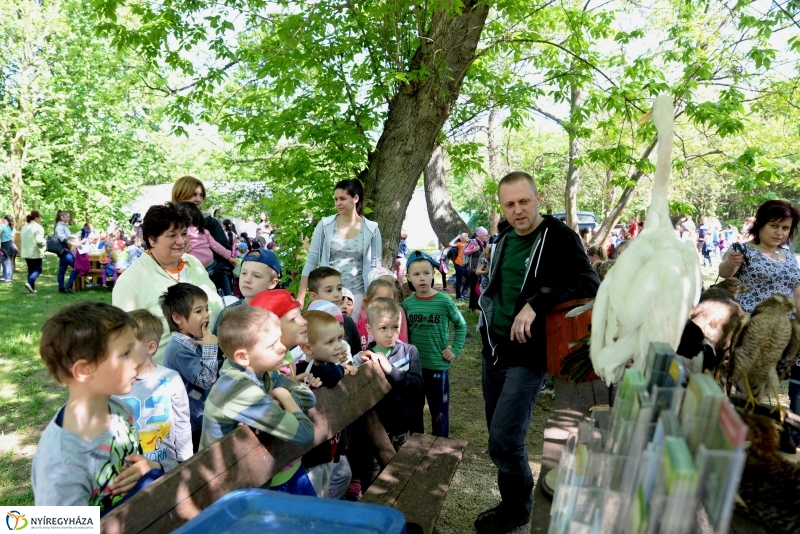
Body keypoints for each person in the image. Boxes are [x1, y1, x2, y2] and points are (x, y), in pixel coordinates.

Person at [475, 171, 599, 534]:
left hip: (528, 356)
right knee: (498, 435)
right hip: (494, 350)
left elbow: (588, 282)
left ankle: (518, 508)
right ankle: (511, 503)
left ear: (538, 198)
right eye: (509, 204)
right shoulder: (503, 239)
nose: (518, 210)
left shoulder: (559, 236)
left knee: (505, 438)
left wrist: (536, 303)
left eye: (524, 201)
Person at [31, 302, 162, 510]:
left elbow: (137, 463)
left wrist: (151, 468)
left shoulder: (121, 411)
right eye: (125, 353)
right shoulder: (61, 462)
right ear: (84, 371)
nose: (137, 360)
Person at [200, 305, 317, 495]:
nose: (282, 348)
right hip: (226, 490)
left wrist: (278, 401)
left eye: (279, 340)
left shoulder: (263, 372)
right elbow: (305, 434)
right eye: (272, 345)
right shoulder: (239, 389)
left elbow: (308, 396)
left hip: (249, 479)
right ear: (243, 357)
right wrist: (284, 396)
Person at [112, 203, 223, 362]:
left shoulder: (194, 263)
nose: (181, 241)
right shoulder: (131, 280)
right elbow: (123, 338)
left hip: (214, 362)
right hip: (164, 373)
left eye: (184, 233)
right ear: (152, 240)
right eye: (172, 235)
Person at [115, 309, 192, 472]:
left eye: (128, 344)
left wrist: (186, 463)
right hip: (127, 473)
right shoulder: (113, 384)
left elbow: (182, 423)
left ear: (150, 347)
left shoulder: (171, 379)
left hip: (168, 469)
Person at [402, 251, 466, 438]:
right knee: (415, 409)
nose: (422, 278)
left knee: (439, 412)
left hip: (437, 366)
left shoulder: (444, 301)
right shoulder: (407, 305)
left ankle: (440, 444)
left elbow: (461, 325)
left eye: (426, 273)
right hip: (414, 369)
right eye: (416, 274)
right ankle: (416, 445)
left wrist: (455, 349)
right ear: (408, 277)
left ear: (433, 274)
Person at [298, 179, 382, 316]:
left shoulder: (371, 229)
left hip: (358, 295)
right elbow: (312, 260)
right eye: (336, 199)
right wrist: (301, 297)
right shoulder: (325, 225)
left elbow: (376, 267)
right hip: (327, 294)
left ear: (355, 198)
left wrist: (374, 299)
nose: (338, 203)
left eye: (342, 198)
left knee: (353, 330)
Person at [160, 283, 220, 453]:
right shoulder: (178, 351)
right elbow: (206, 380)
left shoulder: (193, 341)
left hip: (202, 416)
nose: (207, 314)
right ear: (178, 318)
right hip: (193, 424)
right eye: (199, 311)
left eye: (206, 309)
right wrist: (210, 348)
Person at [171, 175, 233, 296]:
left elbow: (225, 256)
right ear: (179, 194)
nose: (198, 199)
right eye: (194, 194)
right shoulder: (166, 224)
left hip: (214, 283)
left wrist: (211, 272)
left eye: (201, 195)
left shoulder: (210, 223)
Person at [211, 248, 282, 335]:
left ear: (272, 283)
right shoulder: (228, 313)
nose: (247, 280)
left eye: (256, 276)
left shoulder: (279, 314)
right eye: (244, 273)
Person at [307, 266, 362, 360]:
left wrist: (359, 358)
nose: (336, 294)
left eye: (339, 288)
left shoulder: (348, 322)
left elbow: (355, 354)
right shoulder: (306, 323)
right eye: (329, 290)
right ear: (314, 296)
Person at [177, 202, 237, 277]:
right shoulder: (203, 231)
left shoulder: (180, 234)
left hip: (195, 270)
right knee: (223, 281)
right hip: (210, 265)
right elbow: (215, 245)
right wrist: (229, 257)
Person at [464, 227, 489, 311]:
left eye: (486, 235)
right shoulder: (474, 242)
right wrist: (474, 249)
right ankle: (473, 307)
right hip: (474, 269)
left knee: (479, 287)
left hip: (481, 269)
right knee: (474, 287)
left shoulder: (485, 242)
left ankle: (478, 306)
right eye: (484, 235)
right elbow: (465, 252)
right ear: (479, 235)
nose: (485, 237)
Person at [54, 210, 79, 293]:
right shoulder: (59, 226)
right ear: (62, 217)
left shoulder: (64, 226)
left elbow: (68, 236)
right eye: (67, 217)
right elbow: (61, 237)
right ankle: (69, 285)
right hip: (63, 251)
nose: (69, 218)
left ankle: (61, 288)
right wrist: (71, 242)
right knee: (77, 266)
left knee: (62, 270)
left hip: (65, 250)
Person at [21, 210, 45, 293]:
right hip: (35, 252)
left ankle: (31, 289)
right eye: (40, 218)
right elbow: (39, 241)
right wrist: (44, 243)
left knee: (31, 270)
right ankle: (29, 283)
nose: (40, 220)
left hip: (26, 252)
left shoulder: (24, 227)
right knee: (38, 269)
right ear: (36, 218)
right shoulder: (38, 227)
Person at [448, 232, 470, 300]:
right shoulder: (460, 244)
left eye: (467, 236)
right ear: (461, 238)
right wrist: (457, 237)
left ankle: (463, 293)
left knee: (469, 278)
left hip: (465, 266)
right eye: (465, 236)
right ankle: (458, 296)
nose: (467, 237)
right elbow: (450, 244)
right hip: (459, 265)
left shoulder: (469, 244)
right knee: (459, 281)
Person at [0, 215, 17, 283]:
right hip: (11, 245)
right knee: (10, 262)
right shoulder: (12, 228)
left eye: (4, 219)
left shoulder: (3, 227)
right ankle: (9, 277)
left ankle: (8, 278)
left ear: (5, 220)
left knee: (7, 262)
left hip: (5, 246)